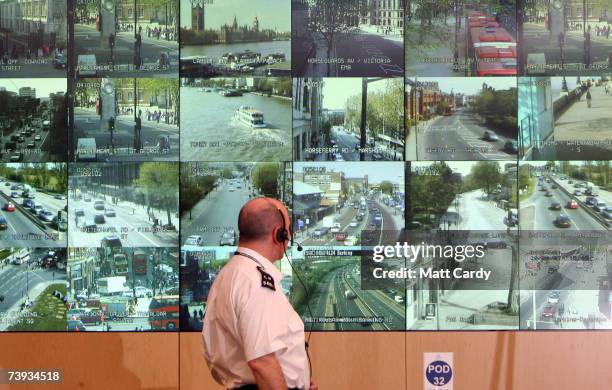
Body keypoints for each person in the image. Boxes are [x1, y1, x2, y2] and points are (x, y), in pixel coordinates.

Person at [203, 197, 316, 390]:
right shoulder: (257, 282)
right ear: (278, 234)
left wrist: (299, 382)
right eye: (288, 229)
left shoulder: (231, 273)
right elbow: (262, 362)